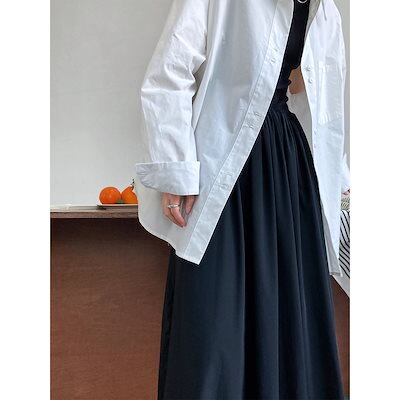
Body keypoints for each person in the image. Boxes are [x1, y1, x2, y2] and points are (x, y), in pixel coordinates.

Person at [135, 0, 349, 398]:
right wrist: (175, 170)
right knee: (213, 318)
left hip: (287, 162)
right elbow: (169, 73)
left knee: (287, 312)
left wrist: (339, 176)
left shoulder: (324, 10)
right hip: (223, 164)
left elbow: (325, 102)